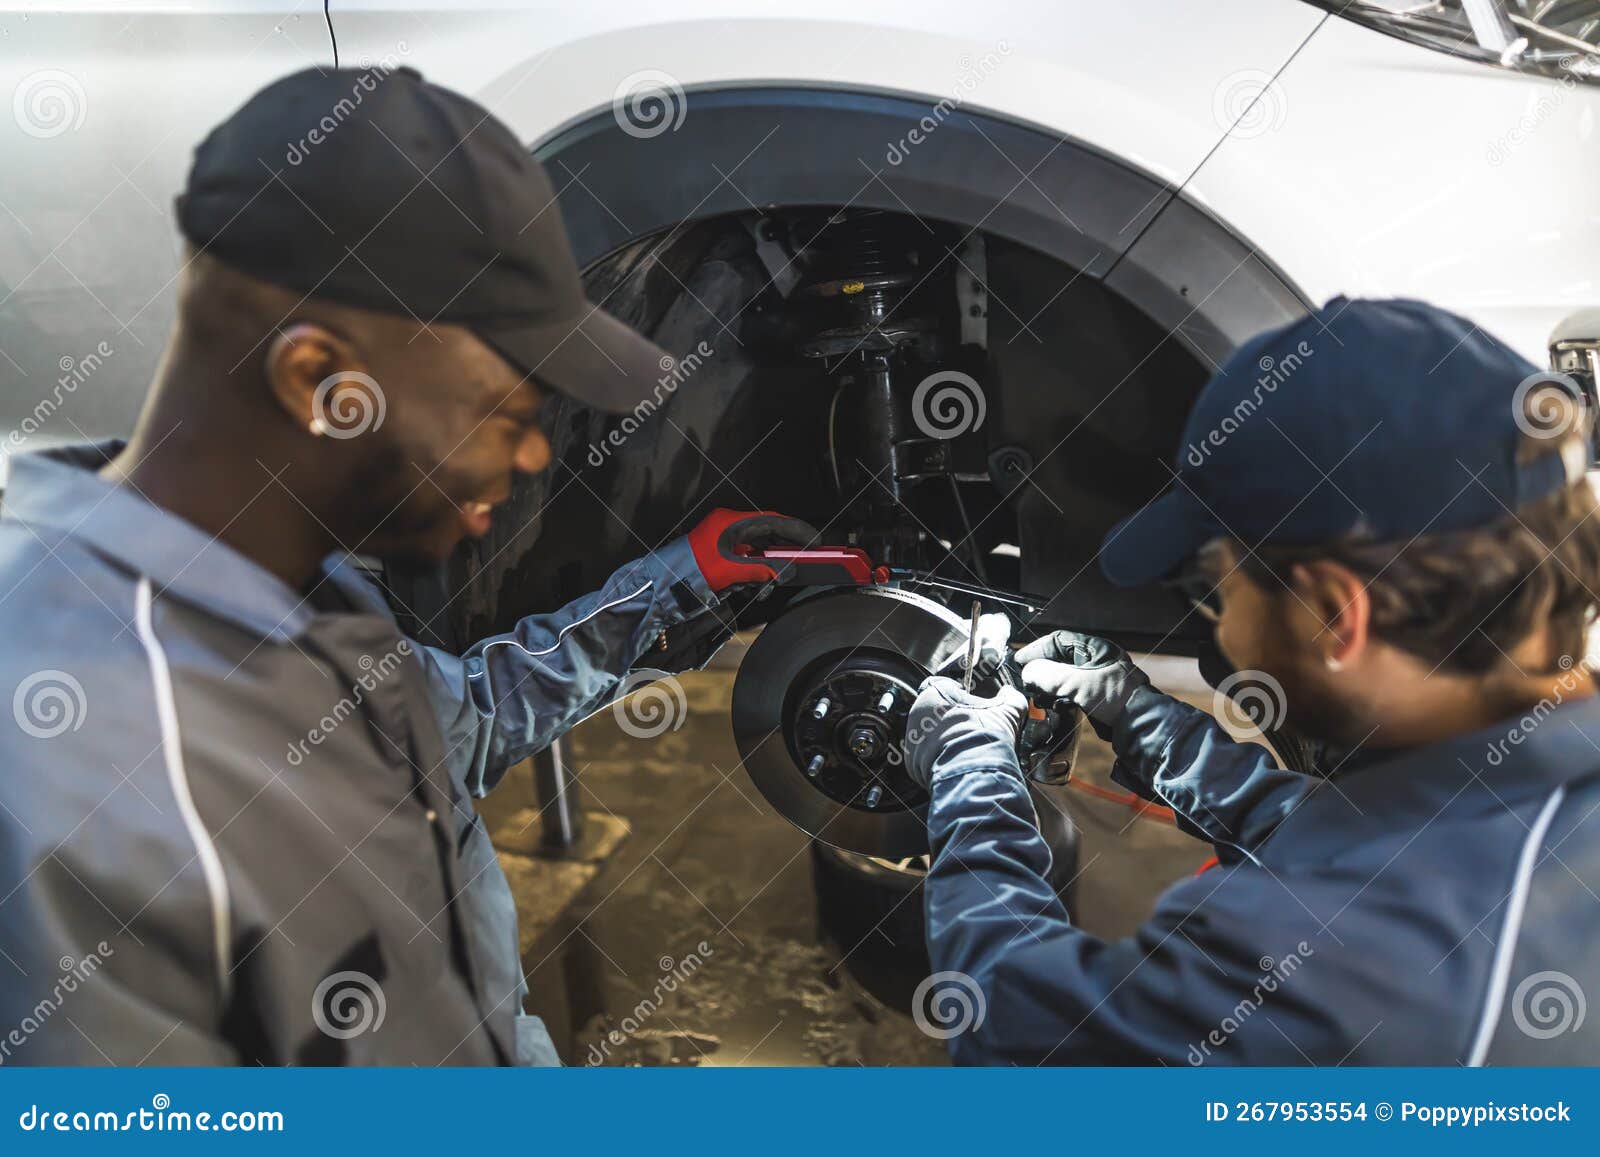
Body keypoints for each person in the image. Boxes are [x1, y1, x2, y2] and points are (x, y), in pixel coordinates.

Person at [0, 68, 814, 1066]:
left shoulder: (310, 594)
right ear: (319, 380)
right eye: (509, 415)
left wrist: (679, 580)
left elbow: (465, 718)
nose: (533, 458)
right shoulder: (75, 778)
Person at [904, 298, 1600, 1065]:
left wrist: (969, 768)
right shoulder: (1521, 804)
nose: (1222, 627)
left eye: (1218, 590)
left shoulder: (1322, 962)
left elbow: (1019, 1042)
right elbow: (1366, 840)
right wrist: (1139, 714)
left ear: (1338, 615)